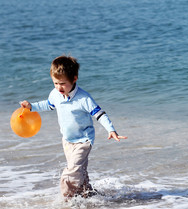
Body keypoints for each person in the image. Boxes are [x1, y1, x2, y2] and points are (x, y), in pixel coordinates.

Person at [20, 55, 127, 200]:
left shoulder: (84, 98)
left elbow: (99, 114)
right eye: (55, 83)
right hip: (67, 141)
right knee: (80, 171)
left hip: (84, 140)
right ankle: (88, 194)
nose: (59, 87)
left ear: (74, 79)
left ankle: (66, 200)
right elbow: (49, 105)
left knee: (71, 172)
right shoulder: (55, 94)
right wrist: (32, 107)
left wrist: (111, 130)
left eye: (63, 83)